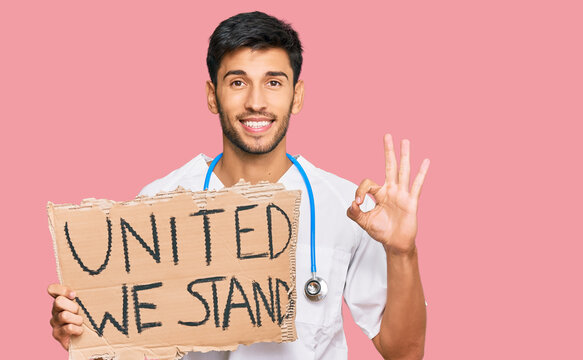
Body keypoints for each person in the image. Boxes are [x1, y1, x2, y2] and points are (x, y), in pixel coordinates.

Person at [47, 11, 429, 360]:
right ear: (213, 96)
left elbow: (404, 353)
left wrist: (402, 252)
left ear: (296, 97)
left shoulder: (347, 207)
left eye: (273, 82)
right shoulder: (157, 206)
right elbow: (128, 342)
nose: (256, 102)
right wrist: (87, 333)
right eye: (237, 82)